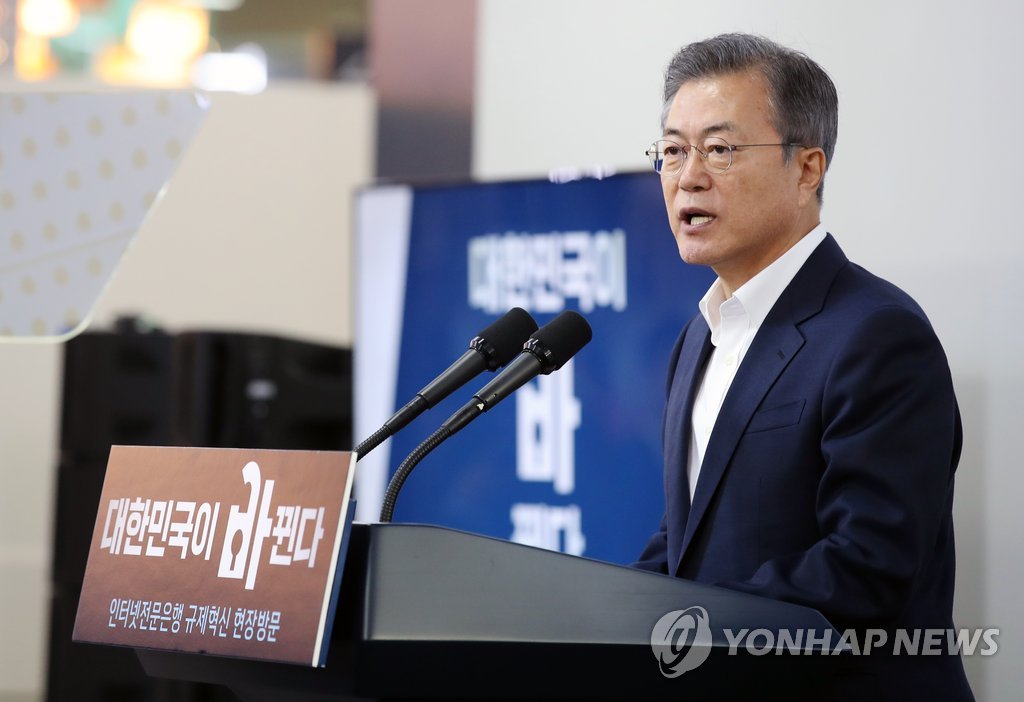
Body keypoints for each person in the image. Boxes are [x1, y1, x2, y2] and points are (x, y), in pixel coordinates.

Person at [633, 33, 973, 700]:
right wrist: (598, 620)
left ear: (807, 168)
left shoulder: (877, 334)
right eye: (672, 151)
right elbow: (686, 541)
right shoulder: (698, 336)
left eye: (720, 149)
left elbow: (866, 567)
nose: (687, 176)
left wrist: (688, 626)